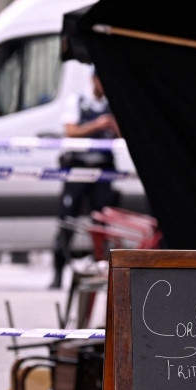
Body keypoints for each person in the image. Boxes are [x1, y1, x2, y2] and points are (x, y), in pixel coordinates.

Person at [52, 70, 119, 289]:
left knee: (102, 223)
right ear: (93, 80)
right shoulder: (78, 101)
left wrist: (113, 125)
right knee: (67, 221)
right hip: (78, 169)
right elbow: (70, 131)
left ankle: (104, 271)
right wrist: (97, 125)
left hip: (102, 170)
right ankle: (58, 273)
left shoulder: (112, 104)